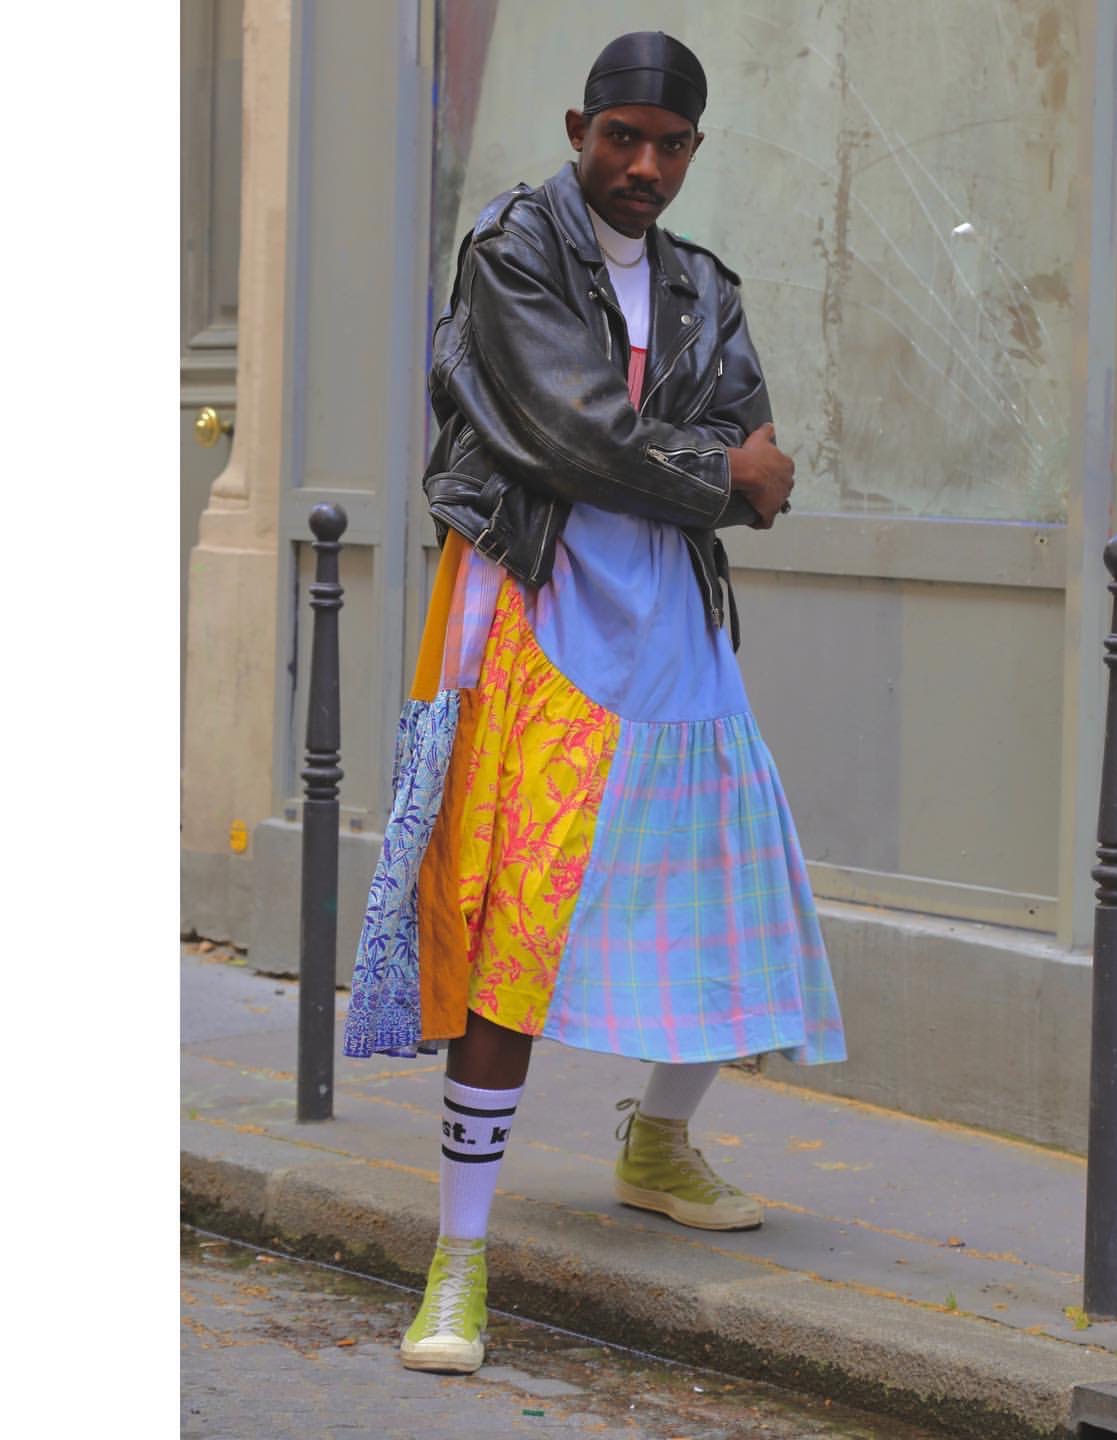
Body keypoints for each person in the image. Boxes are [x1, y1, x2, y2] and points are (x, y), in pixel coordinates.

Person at [342, 30, 845, 1375]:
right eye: (623, 138)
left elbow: (752, 441)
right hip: (538, 606)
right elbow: (574, 433)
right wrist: (713, 473)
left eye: (670, 145)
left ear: (693, 150)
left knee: (728, 886)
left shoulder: (701, 284)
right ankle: (459, 1258)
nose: (644, 166)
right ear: (580, 130)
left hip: (671, 616)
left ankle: (658, 1142)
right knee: (516, 915)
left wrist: (711, 470)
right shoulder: (514, 250)